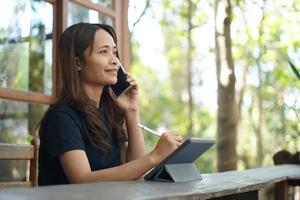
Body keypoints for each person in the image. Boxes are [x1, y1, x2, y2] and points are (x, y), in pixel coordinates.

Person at [37, 22, 183, 185]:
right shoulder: (62, 116)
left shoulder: (105, 114)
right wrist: (155, 156)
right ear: (77, 63)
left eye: (114, 52)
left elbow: (135, 169)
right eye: (103, 52)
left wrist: (132, 111)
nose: (115, 61)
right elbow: (82, 179)